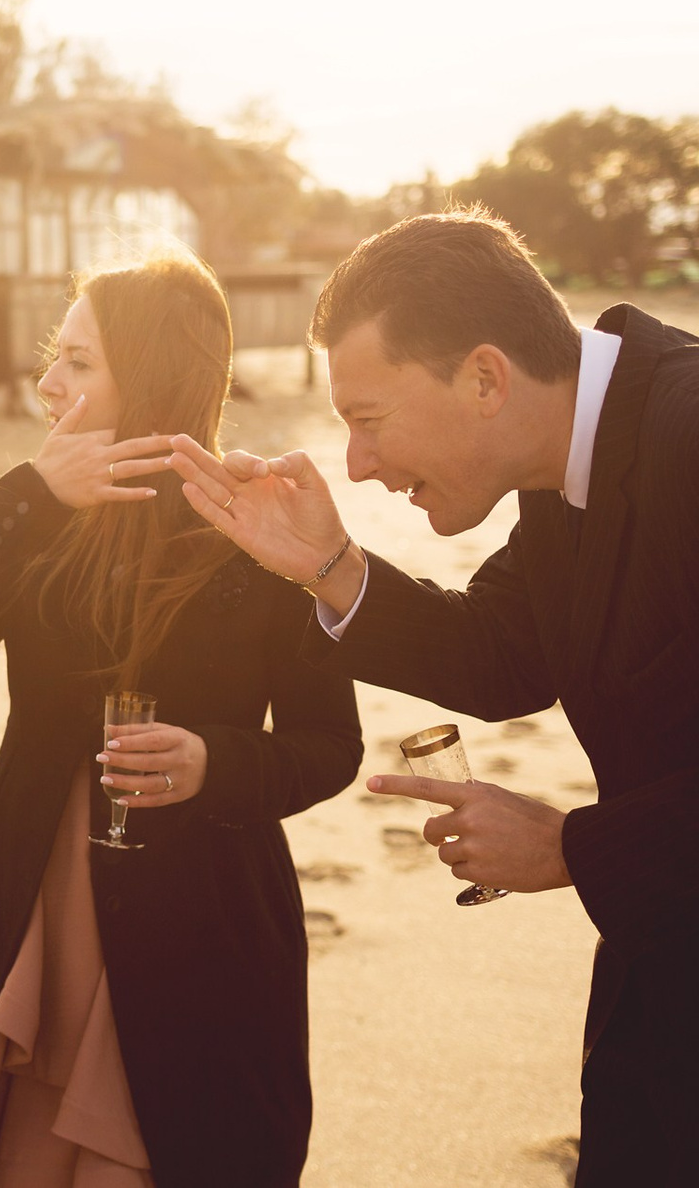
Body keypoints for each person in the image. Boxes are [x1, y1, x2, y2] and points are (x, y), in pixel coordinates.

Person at [167, 209, 699, 1185]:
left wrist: (572, 847)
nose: (357, 464)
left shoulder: (687, 431)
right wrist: (328, 566)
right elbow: (502, 653)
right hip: (656, 991)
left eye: (369, 421)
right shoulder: (567, 454)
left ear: (486, 378)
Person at [0, 254, 362, 1187]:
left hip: (202, 926)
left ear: (151, 376)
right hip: (35, 895)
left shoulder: (259, 530)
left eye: (78, 362)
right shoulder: (39, 516)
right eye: (54, 357)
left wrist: (213, 763)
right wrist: (26, 498)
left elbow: (329, 748)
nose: (47, 384)